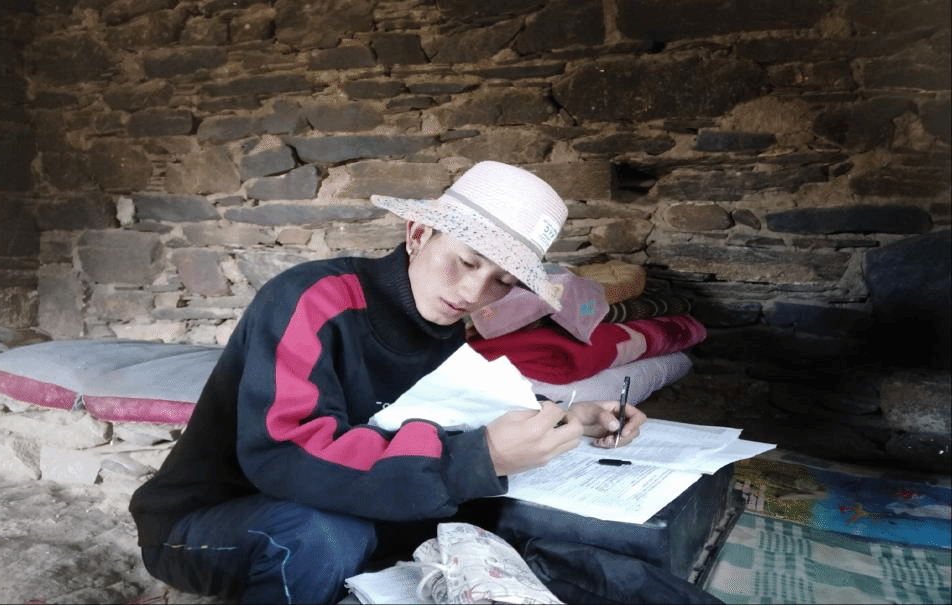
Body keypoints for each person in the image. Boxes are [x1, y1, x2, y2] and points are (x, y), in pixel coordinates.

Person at [128, 160, 648, 604]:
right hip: (204, 520)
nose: (474, 293)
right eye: (466, 262)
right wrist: (476, 459)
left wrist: (568, 418)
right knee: (327, 535)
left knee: (497, 522)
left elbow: (461, 409)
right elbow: (284, 456)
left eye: (502, 282)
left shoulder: (444, 330)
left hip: (331, 501)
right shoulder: (310, 299)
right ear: (418, 235)